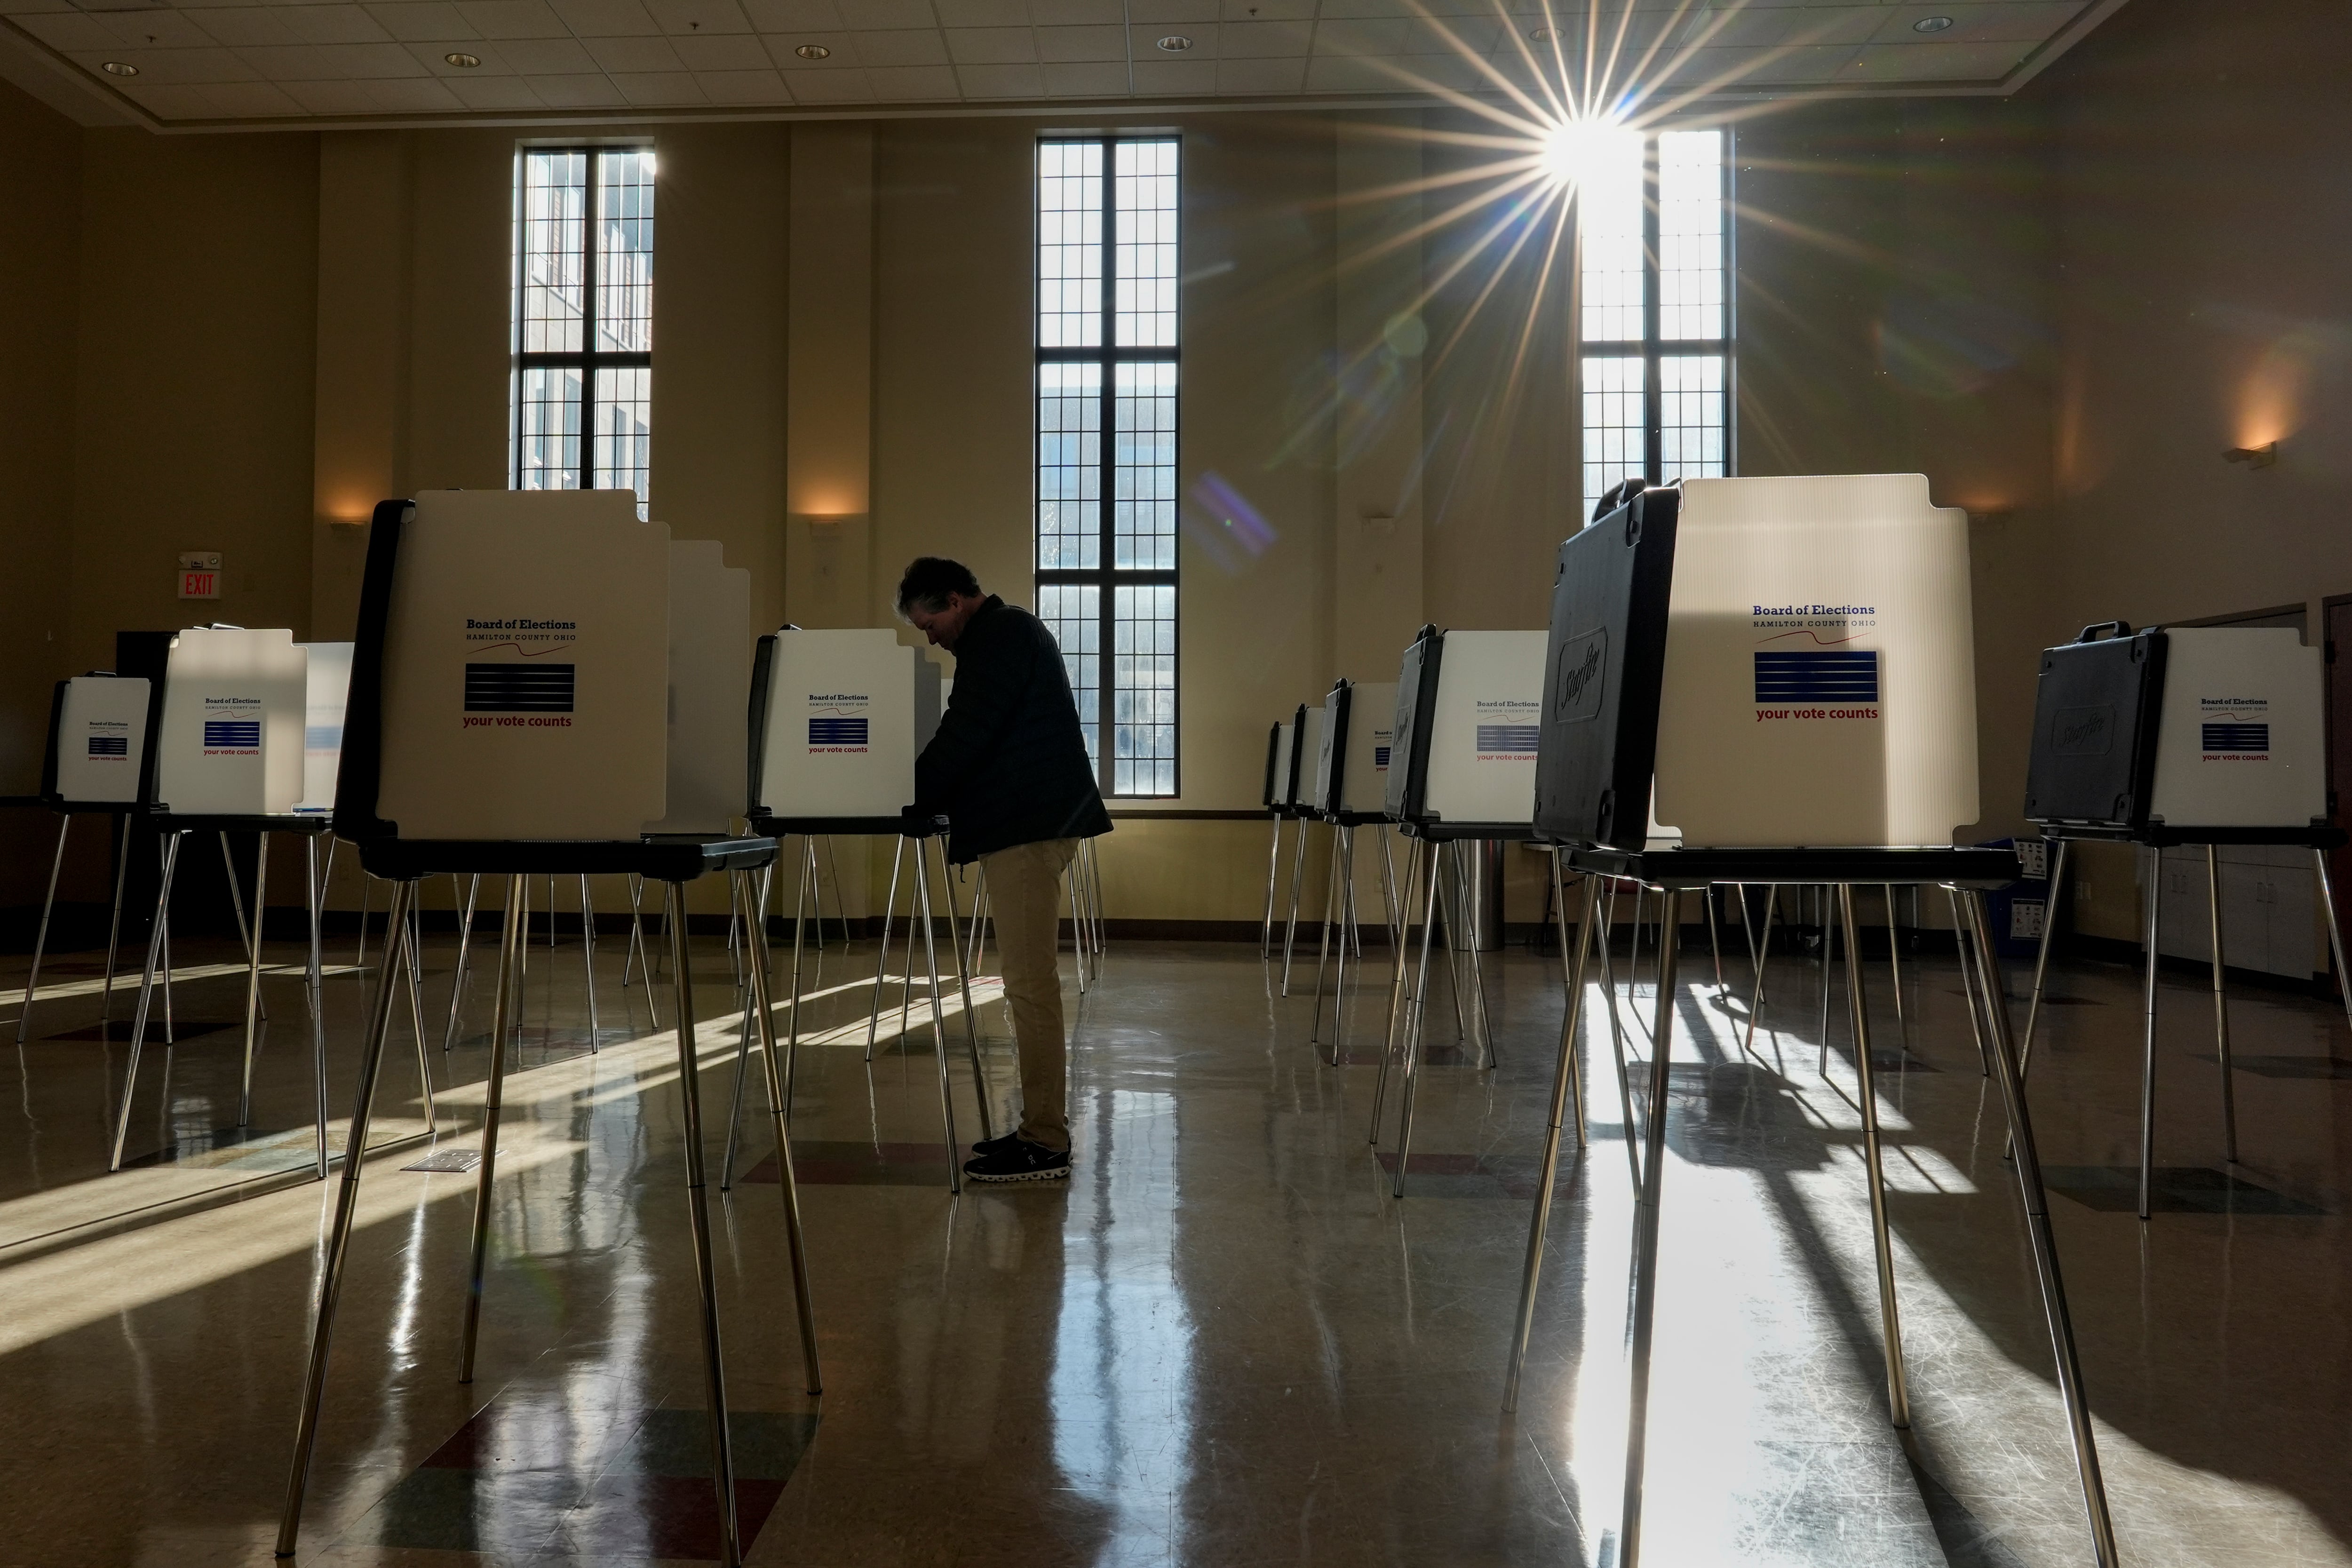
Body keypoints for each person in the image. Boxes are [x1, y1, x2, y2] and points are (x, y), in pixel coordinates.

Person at [898, 557, 1112, 1184]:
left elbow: (968, 733)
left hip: (1028, 828)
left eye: (930, 619)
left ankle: (1046, 1140)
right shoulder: (1004, 635)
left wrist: (908, 795)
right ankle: (1036, 1128)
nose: (928, 634)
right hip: (1029, 824)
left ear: (959, 599)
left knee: (1029, 984)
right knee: (1027, 982)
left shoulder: (1001, 636)